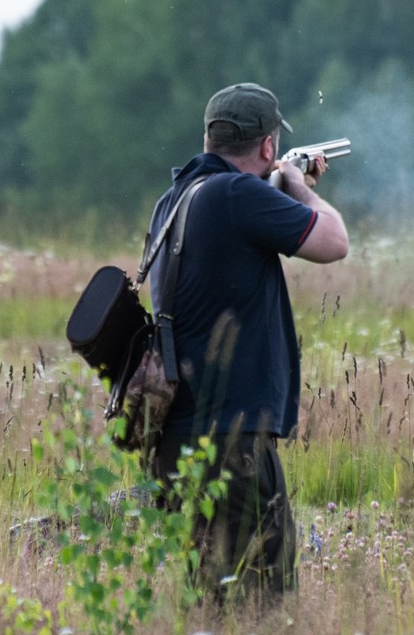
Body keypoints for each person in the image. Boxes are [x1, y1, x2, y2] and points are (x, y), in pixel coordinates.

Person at [146, 82, 348, 604]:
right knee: (261, 602)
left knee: (211, 600)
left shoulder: (176, 200)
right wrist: (298, 184)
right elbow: (333, 242)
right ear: (266, 147)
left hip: (178, 437)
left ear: (209, 137)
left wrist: (276, 186)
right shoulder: (238, 195)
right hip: (232, 438)